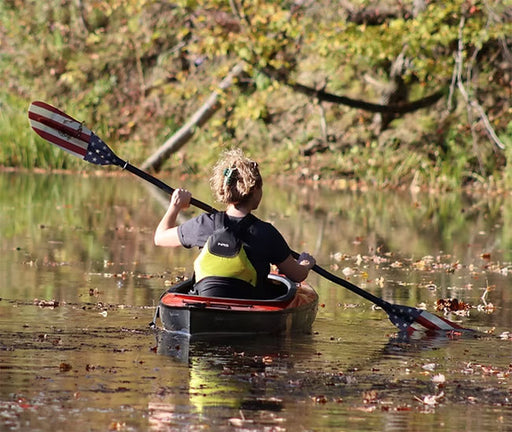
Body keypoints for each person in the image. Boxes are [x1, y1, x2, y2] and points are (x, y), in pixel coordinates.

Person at [154, 148, 316, 299]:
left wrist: (175, 206)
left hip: (205, 304)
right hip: (249, 307)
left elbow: (159, 237)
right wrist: (305, 263)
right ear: (254, 190)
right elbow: (297, 275)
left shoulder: (204, 223)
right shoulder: (265, 232)